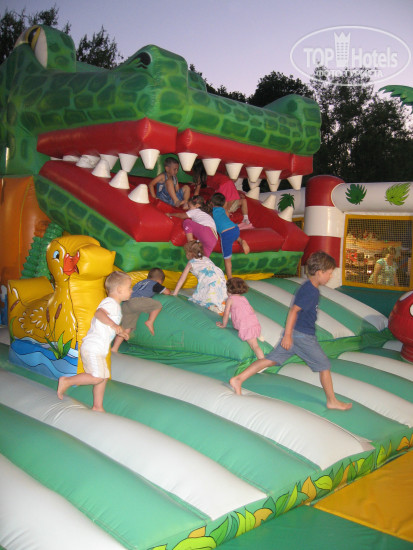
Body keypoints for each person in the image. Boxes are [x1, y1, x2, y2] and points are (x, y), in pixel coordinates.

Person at [229, 251, 352, 411]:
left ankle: (238, 379)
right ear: (319, 272)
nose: (330, 276)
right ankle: (332, 401)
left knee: (270, 360)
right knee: (324, 366)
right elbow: (294, 310)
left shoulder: (308, 287)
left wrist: (289, 336)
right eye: (329, 273)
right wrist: (288, 335)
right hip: (302, 336)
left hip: (296, 335)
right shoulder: (310, 291)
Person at [57, 271, 132, 412]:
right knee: (97, 377)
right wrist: (114, 325)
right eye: (129, 288)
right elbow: (99, 313)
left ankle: (97, 406)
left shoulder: (115, 306)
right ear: (119, 289)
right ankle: (66, 381)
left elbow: (107, 326)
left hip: (99, 348)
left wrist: (120, 332)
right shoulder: (110, 302)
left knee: (103, 378)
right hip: (93, 347)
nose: (131, 291)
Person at [111, 268, 171, 352]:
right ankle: (150, 321)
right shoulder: (155, 284)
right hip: (138, 301)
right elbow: (167, 292)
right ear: (159, 281)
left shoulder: (139, 283)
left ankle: (115, 348)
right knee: (158, 305)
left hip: (127, 303)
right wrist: (170, 291)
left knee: (126, 328)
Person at [172, 240, 227, 314]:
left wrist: (175, 293)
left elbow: (182, 279)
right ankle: (222, 303)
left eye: (186, 253)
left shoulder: (191, 263)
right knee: (218, 291)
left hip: (209, 279)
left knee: (201, 298)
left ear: (190, 253)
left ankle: (213, 307)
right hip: (220, 277)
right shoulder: (206, 258)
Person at [192, 161, 252, 227]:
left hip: (224, 184)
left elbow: (197, 192)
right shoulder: (211, 173)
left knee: (224, 207)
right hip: (225, 183)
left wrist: (194, 201)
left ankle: (227, 222)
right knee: (226, 204)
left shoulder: (203, 176)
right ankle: (234, 220)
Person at [217, 277, 264, 359]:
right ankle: (258, 334)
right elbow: (252, 310)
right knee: (253, 336)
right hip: (253, 322)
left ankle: (262, 361)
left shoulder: (230, 300)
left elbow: (226, 314)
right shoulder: (243, 298)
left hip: (246, 326)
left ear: (229, 290)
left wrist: (223, 325)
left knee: (254, 346)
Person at [209, 192, 250, 280]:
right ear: (224, 203)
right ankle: (241, 241)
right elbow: (226, 218)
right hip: (235, 228)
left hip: (226, 234)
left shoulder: (211, 213)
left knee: (227, 259)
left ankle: (230, 278)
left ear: (211, 203)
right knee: (234, 235)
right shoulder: (224, 210)